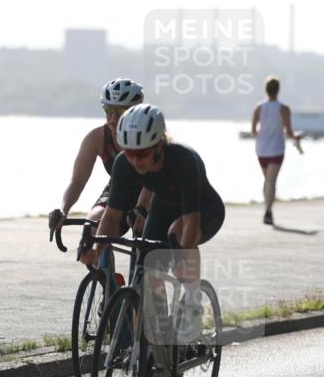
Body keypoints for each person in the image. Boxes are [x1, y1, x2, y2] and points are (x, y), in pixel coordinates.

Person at [79, 104, 224, 342]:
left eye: (142, 154)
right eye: (129, 152)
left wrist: (181, 258)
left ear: (159, 145)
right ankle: (153, 343)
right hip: (164, 208)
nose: (135, 160)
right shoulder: (124, 164)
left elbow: (191, 220)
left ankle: (192, 301)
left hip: (204, 210)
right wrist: (96, 250)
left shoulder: (183, 159)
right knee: (146, 271)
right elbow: (112, 216)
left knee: (177, 237)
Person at [48, 78, 151, 238]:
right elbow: (77, 181)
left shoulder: (149, 136)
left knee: (145, 241)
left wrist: (141, 210)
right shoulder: (97, 138)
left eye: (121, 112)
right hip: (119, 189)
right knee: (93, 226)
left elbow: (152, 181)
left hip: (152, 190)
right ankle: (103, 262)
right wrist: (64, 210)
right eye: (109, 110)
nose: (113, 119)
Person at [250, 76, 302, 225]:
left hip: (261, 149)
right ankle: (268, 212)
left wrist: (264, 131)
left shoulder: (259, 108)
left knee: (267, 181)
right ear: (278, 90)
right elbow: (290, 132)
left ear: (266, 90)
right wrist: (296, 137)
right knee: (271, 181)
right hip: (276, 149)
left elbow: (253, 131)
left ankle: (267, 209)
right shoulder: (284, 108)